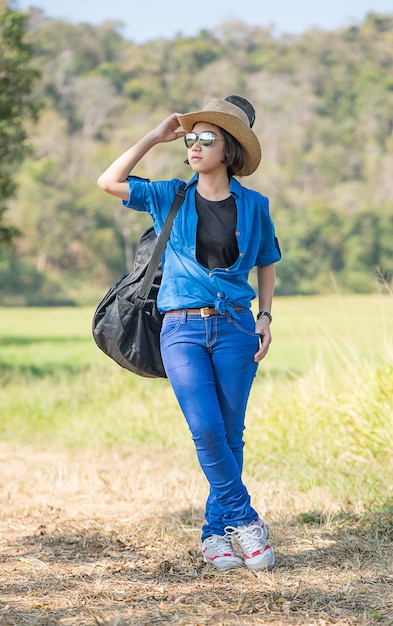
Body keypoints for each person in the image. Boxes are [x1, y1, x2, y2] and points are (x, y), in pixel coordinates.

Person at [97, 95, 281, 572]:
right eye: (191, 138)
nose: (194, 146)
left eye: (207, 138)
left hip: (237, 328)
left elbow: (266, 262)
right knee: (205, 428)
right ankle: (245, 519)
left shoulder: (255, 205)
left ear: (230, 150)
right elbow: (108, 182)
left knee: (230, 432)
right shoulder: (168, 195)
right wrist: (154, 137)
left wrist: (265, 317)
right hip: (179, 329)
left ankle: (214, 536)